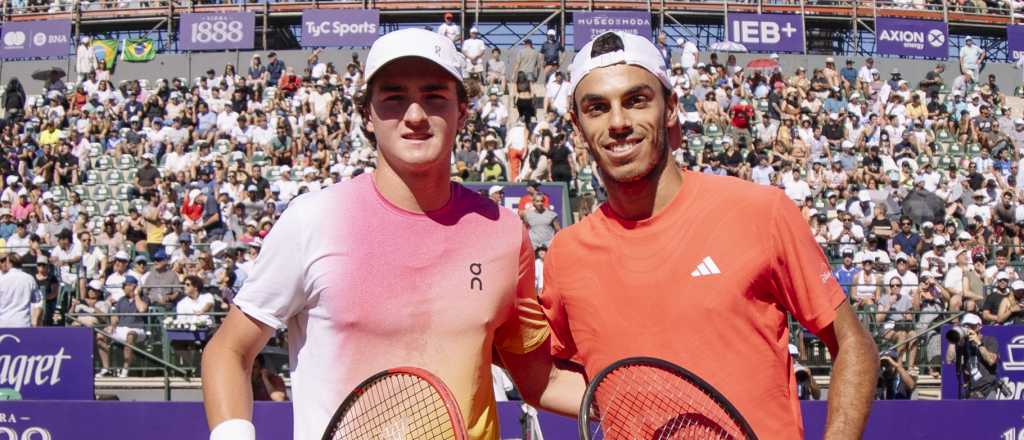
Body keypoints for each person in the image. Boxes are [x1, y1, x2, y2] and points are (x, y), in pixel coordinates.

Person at [202, 28, 582, 440]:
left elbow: (538, 378)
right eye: (394, 97)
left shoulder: (505, 233)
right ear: (367, 114)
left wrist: (634, 404)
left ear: (463, 111)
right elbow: (229, 350)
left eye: (434, 96)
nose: (415, 116)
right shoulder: (312, 219)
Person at [541, 31, 877, 438]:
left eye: (636, 100)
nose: (618, 123)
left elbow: (854, 345)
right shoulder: (567, 254)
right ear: (578, 125)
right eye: (597, 108)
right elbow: (553, 378)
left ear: (670, 108)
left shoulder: (762, 212)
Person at [96, 276, 149, 378]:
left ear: (134, 287)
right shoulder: (121, 300)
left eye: (127, 285)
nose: (124, 288)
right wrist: (112, 326)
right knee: (100, 336)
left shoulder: (143, 298)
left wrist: (136, 295)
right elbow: (116, 317)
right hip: (120, 329)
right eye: (124, 286)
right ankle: (106, 368)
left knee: (130, 335)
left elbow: (142, 309)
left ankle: (125, 370)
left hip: (138, 329)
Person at [945, 313, 1001, 399]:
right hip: (971, 390)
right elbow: (949, 360)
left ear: (979, 326)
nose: (967, 328)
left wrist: (979, 343)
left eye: (971, 325)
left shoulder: (989, 340)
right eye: (965, 325)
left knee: (988, 411)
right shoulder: (963, 344)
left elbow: (991, 361)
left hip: (988, 389)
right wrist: (953, 340)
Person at [0, 253, 36, 328]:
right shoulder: (29, 279)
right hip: (23, 323)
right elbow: (37, 301)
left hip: (4, 323)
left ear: (9, 262)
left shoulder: (2, 279)